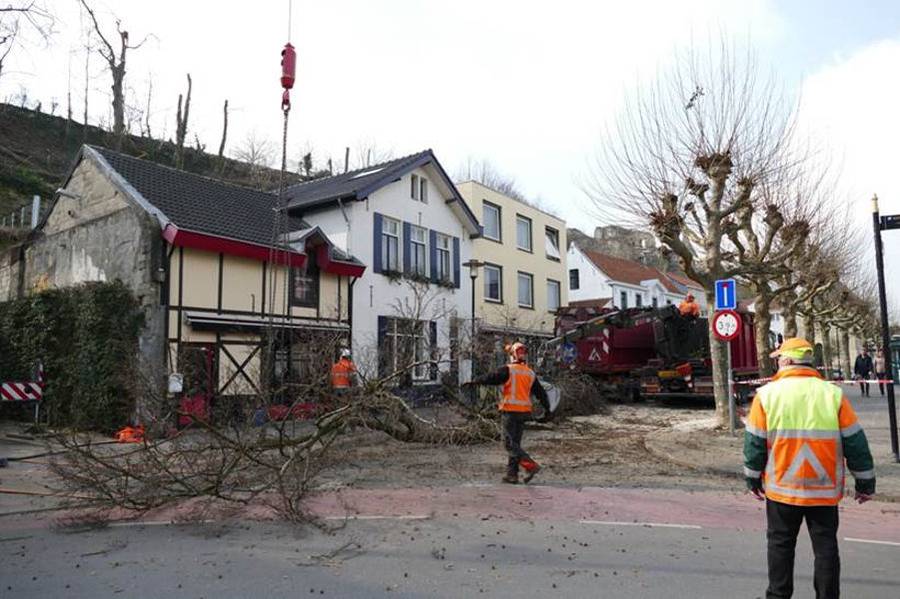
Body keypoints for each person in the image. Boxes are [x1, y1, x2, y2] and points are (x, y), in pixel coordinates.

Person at [744, 337, 875, 599]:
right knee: (825, 547)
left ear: (787, 361)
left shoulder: (767, 395)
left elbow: (755, 443)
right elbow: (855, 442)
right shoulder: (832, 394)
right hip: (823, 488)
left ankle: (778, 596)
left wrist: (752, 479)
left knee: (780, 545)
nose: (778, 363)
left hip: (783, 489)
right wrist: (865, 483)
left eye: (779, 359)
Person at [463, 342, 551, 484]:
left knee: (509, 444)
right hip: (524, 412)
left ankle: (530, 465)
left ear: (512, 356)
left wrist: (475, 382)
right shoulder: (530, 373)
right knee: (515, 444)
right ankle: (512, 475)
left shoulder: (508, 370)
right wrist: (547, 410)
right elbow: (541, 393)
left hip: (510, 411)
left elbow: (490, 378)